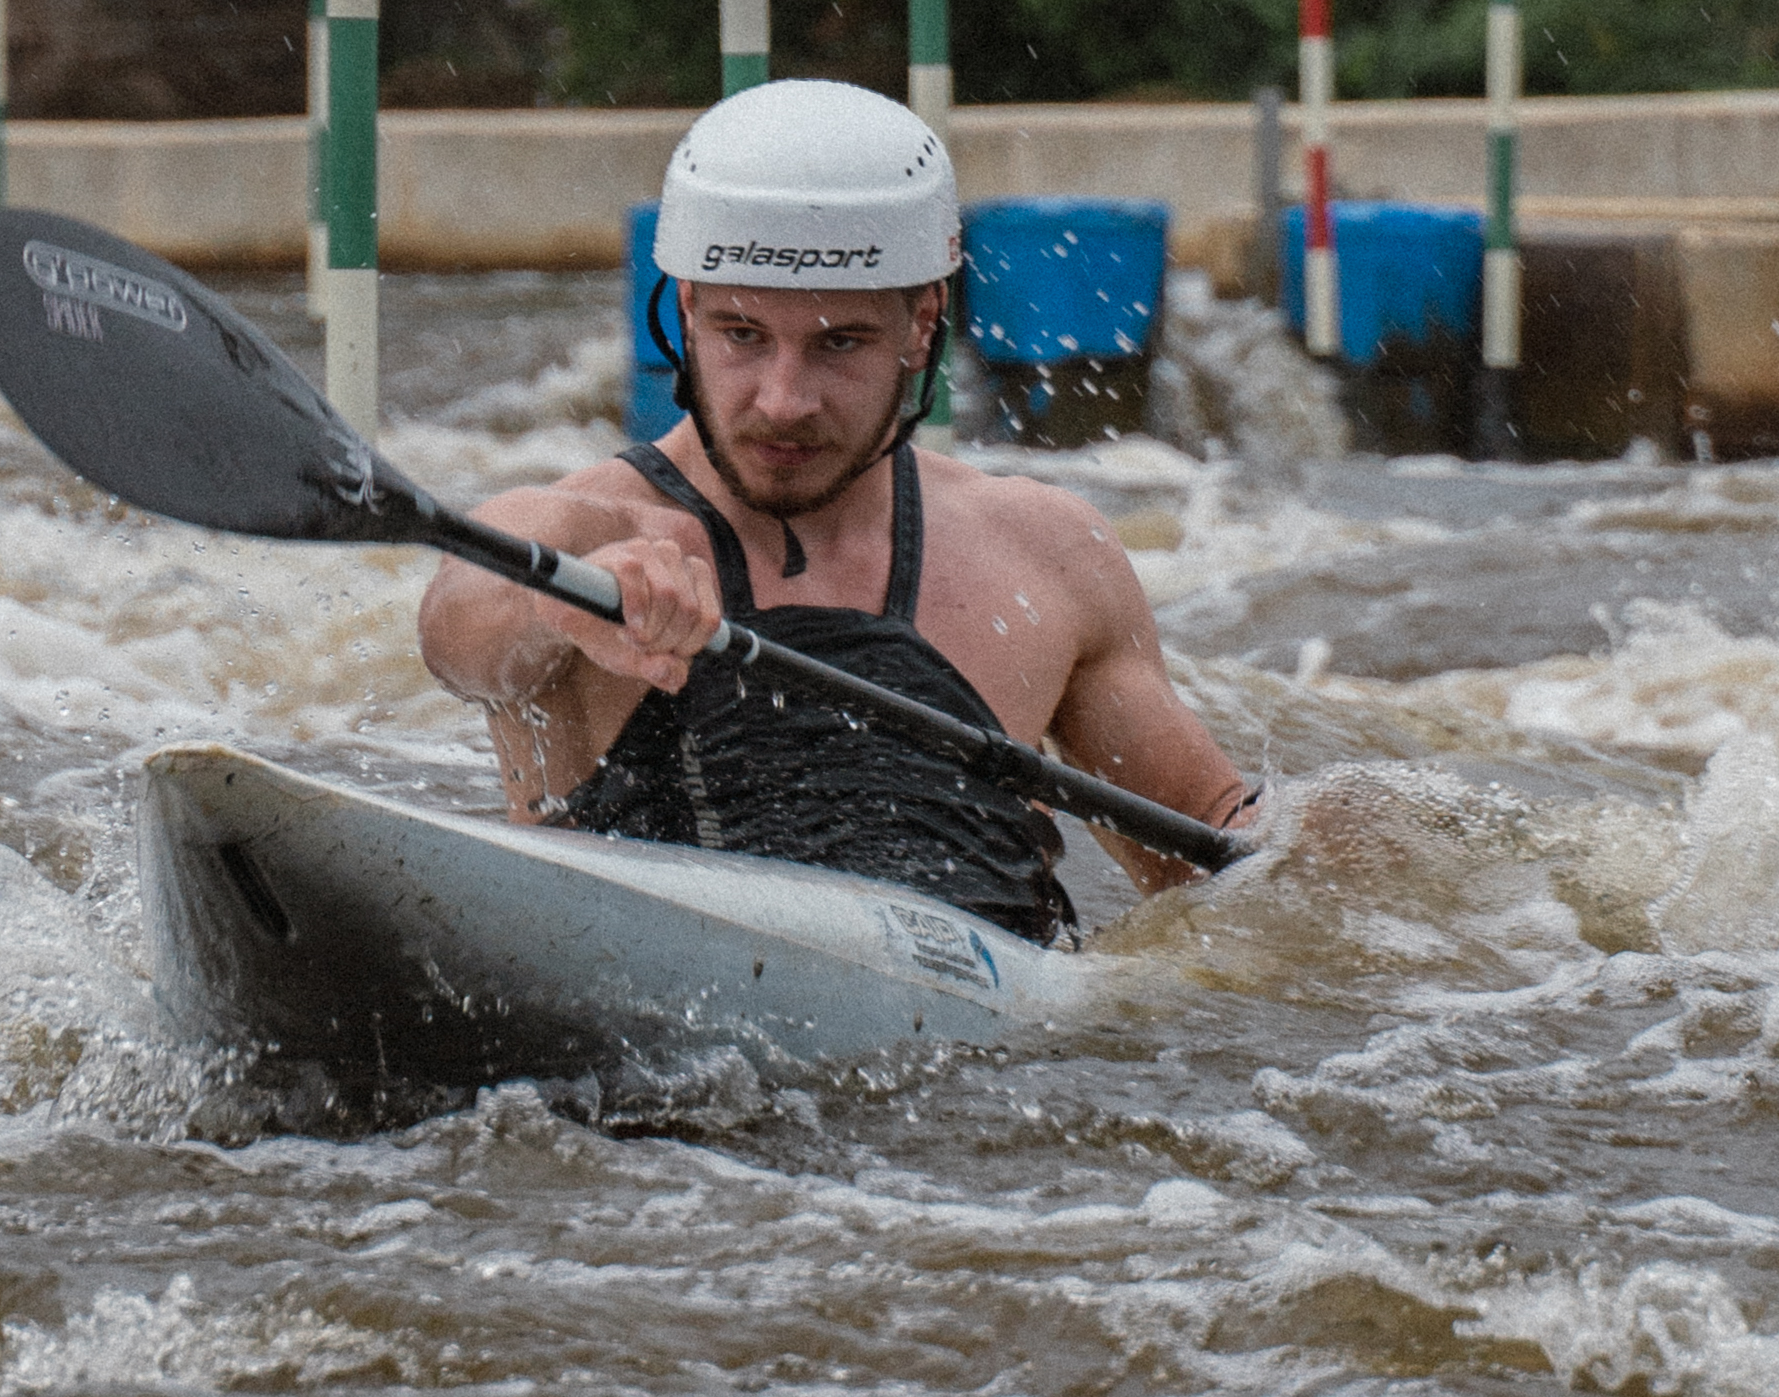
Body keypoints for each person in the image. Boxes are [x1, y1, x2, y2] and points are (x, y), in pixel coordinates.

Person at [416, 79, 1253, 945]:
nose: (783, 400)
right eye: (742, 335)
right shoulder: (578, 529)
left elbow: (1219, 874)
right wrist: (561, 598)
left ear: (922, 324)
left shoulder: (1047, 553)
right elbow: (457, 629)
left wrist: (1325, 838)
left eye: (839, 342)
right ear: (687, 309)